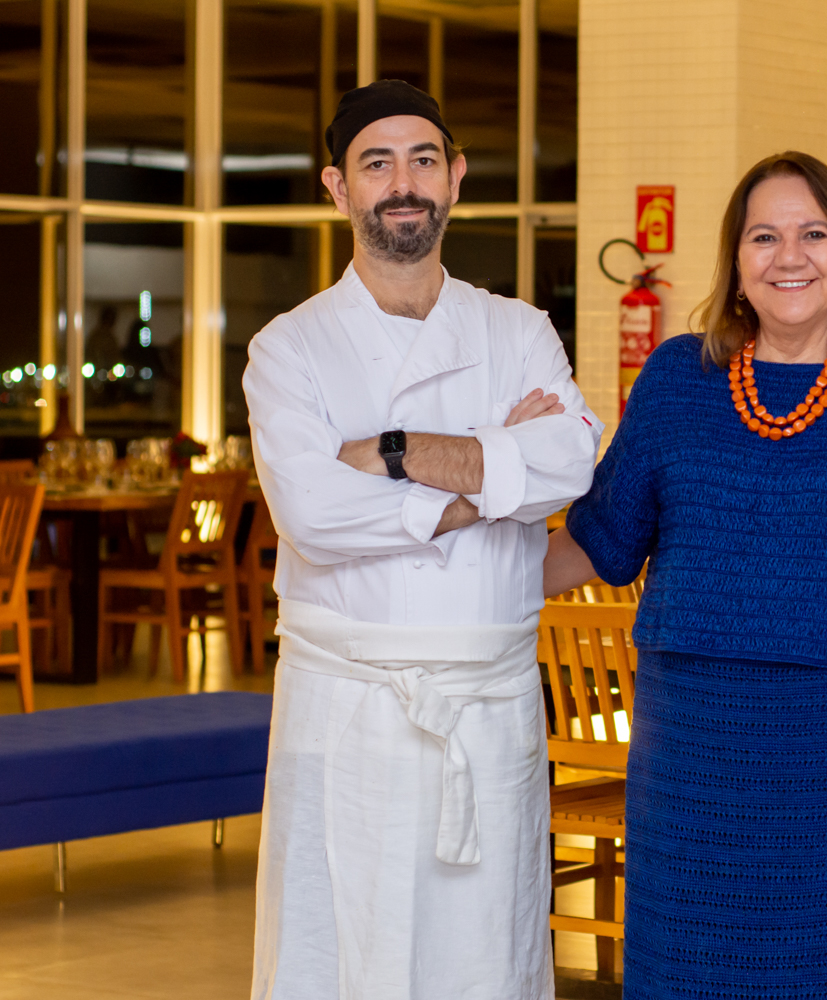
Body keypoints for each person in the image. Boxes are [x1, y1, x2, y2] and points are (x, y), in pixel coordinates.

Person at [543, 151, 827, 999]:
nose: (789, 256)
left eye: (813, 233)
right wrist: (456, 566)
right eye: (764, 236)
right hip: (693, 749)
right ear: (737, 264)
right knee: (686, 972)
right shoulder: (675, 378)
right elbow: (602, 541)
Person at [243, 79, 601, 1000]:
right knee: (335, 953)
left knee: (486, 958)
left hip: (488, 711)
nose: (403, 183)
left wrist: (392, 454)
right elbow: (315, 516)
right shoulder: (289, 348)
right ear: (337, 187)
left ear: (457, 178)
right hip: (347, 712)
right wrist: (494, 480)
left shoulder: (517, 329)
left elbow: (567, 463)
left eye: (424, 159)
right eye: (377, 163)